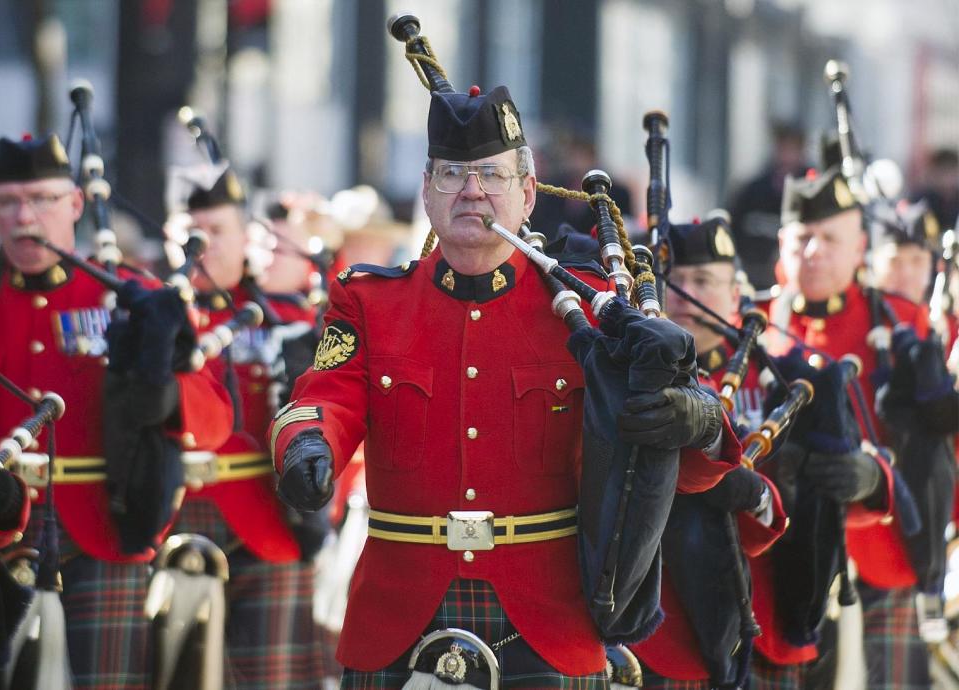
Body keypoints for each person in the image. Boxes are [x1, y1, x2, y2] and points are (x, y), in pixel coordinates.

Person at [269, 84, 743, 688]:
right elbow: (323, 399)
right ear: (426, 190)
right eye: (452, 174)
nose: (471, 191)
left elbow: (674, 470)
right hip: (399, 619)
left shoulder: (595, 311)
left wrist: (696, 420)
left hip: (548, 626)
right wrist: (308, 444)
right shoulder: (370, 301)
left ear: (527, 193)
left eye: (491, 174)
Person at [0, 134, 233, 688]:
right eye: (8, 201)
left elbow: (217, 416)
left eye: (43, 199)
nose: (24, 215)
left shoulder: (135, 296)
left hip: (103, 526)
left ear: (77, 204)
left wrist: (171, 397)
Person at [768, 165, 929, 689]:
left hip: (889, 541)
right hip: (791, 550)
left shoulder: (901, 322)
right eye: (803, 238)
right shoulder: (756, 326)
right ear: (781, 246)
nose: (814, 252)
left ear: (860, 246)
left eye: (830, 239)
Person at [173, 165, 334, 688]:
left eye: (217, 232)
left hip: (264, 522)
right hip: (163, 521)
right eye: (187, 231)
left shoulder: (282, 317)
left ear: (247, 237)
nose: (200, 245)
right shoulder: (144, 310)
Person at [628, 214, 789, 690]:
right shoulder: (626, 372)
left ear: (736, 294)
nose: (683, 294)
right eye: (672, 281)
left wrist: (754, 492)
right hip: (648, 623)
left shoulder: (777, 375)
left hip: (755, 617)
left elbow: (795, 503)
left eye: (702, 280)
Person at [728, 122, 808, 296]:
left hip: (796, 286)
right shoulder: (751, 192)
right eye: (783, 149)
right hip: (753, 284)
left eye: (792, 149)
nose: (787, 157)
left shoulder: (811, 194)